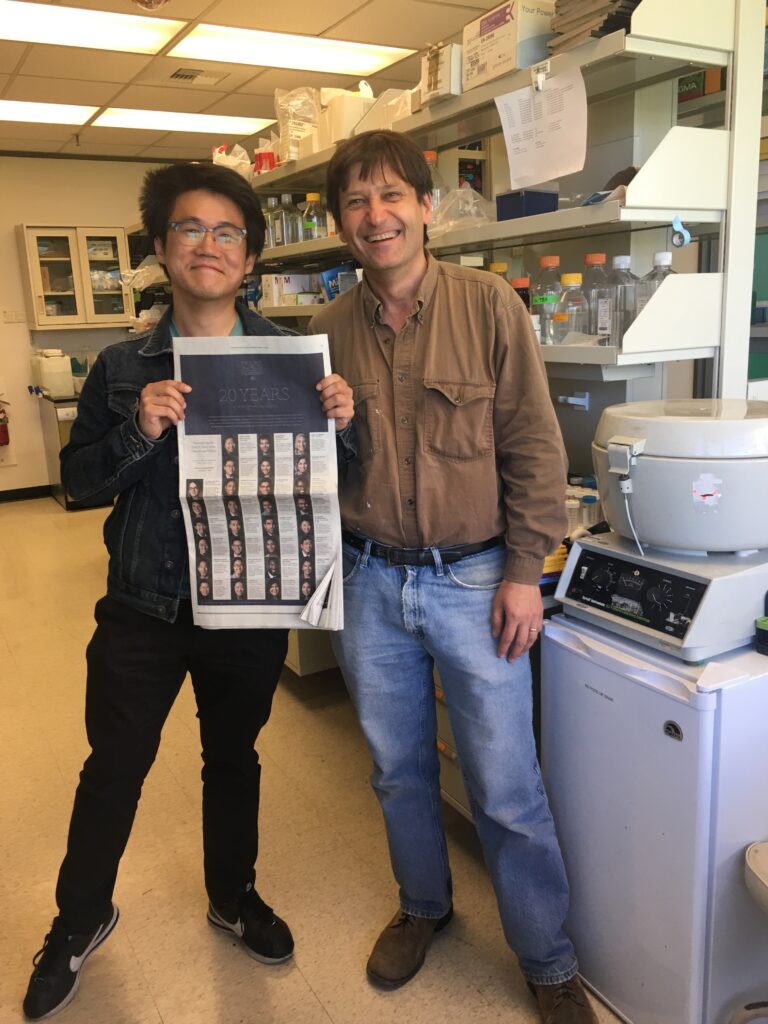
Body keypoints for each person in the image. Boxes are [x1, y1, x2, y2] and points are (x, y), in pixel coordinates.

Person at [23, 160, 353, 1023]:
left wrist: (343, 426)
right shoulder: (119, 367)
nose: (209, 246)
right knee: (114, 767)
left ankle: (232, 894)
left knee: (234, 759)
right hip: (141, 604)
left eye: (228, 232)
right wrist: (138, 428)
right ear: (162, 251)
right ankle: (77, 918)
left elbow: (325, 484)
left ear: (250, 259)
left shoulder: (290, 359)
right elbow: (79, 483)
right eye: (189, 230)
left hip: (246, 603)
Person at [309, 131, 595, 1024]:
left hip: (475, 581)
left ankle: (548, 960)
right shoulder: (324, 330)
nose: (376, 216)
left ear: (428, 207)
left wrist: (522, 573)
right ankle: (425, 906)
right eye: (357, 203)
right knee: (397, 771)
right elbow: (313, 466)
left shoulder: (489, 307)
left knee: (506, 787)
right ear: (340, 223)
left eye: (392, 196)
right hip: (367, 579)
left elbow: (535, 449)